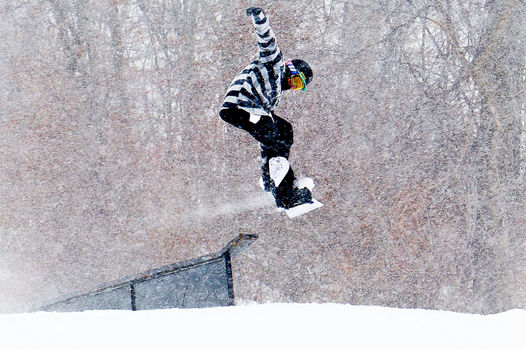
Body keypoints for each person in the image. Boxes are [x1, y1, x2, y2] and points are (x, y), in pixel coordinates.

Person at [219, 7, 314, 209]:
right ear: (290, 69)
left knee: (284, 130)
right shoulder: (275, 65)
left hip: (254, 110)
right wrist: (260, 18)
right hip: (240, 106)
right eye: (295, 80)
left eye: (298, 87)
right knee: (272, 134)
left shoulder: (273, 96)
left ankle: (273, 181)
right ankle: (284, 192)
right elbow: (267, 41)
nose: (292, 86)